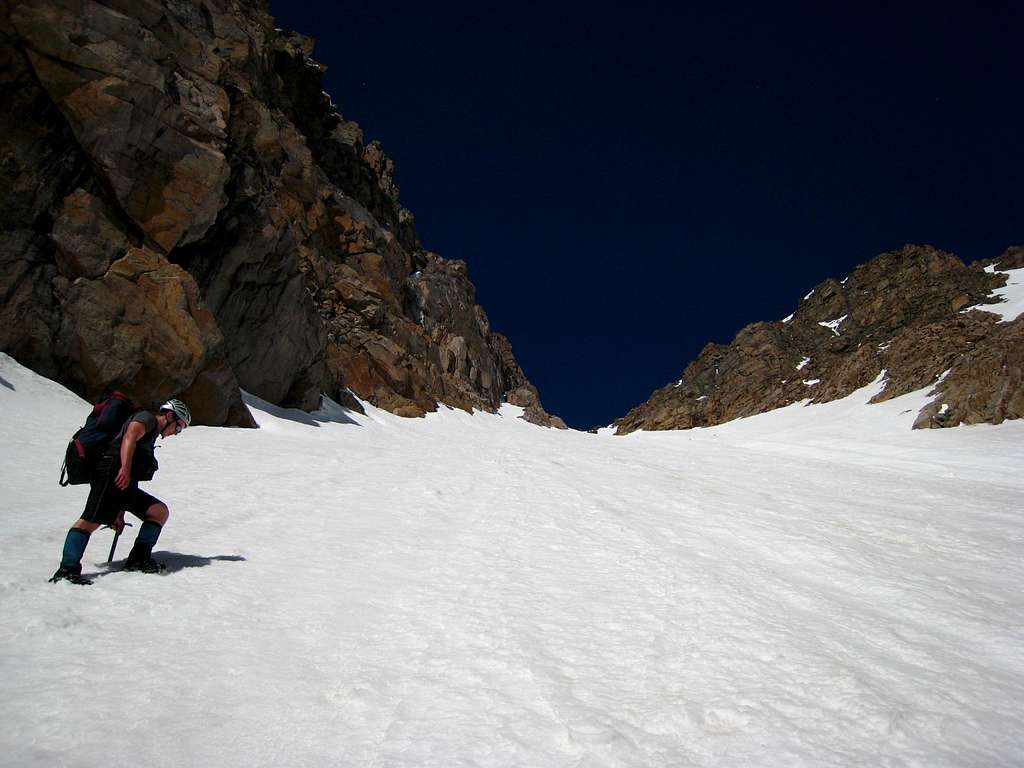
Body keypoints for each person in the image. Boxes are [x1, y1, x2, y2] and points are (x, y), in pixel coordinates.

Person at [49, 399, 192, 585]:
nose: (176, 433)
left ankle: (138, 559)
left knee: (158, 511)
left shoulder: (152, 433)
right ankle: (67, 569)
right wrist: (124, 467)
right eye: (179, 428)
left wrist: (120, 511)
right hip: (111, 473)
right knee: (90, 521)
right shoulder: (147, 419)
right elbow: (130, 436)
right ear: (170, 416)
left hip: (123, 481)